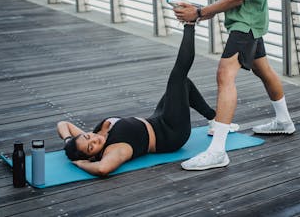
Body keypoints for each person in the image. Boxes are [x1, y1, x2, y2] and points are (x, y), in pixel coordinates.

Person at [174, 0, 295, 171]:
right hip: (247, 19)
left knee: (224, 74)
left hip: (246, 21)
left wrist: (200, 12)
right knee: (263, 69)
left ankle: (218, 151)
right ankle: (284, 121)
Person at [57, 24, 227, 176]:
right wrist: (81, 164)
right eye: (90, 147)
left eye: (87, 137)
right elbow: (103, 169)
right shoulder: (115, 149)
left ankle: (213, 119)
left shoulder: (95, 136)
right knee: (178, 77)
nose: (94, 140)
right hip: (171, 133)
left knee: (184, 85)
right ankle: (189, 25)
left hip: (158, 119)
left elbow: (63, 124)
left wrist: (68, 140)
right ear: (92, 155)